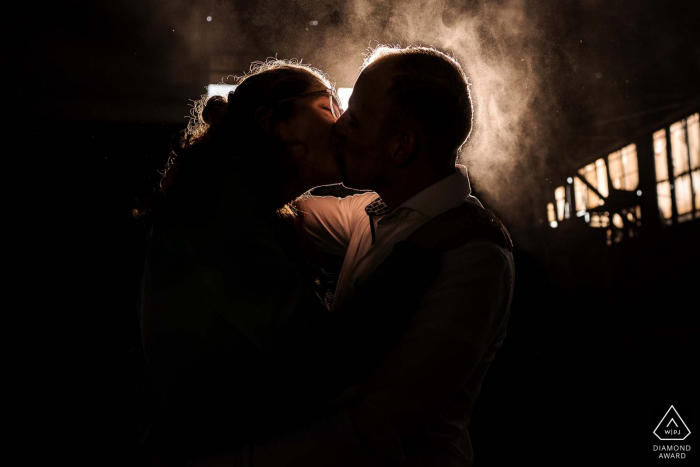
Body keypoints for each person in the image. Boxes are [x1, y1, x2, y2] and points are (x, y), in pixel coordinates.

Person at [186, 45, 515, 467]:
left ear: (402, 147)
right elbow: (263, 205)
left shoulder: (475, 256)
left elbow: (380, 430)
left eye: (354, 121)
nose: (338, 129)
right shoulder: (373, 214)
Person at [134, 59, 353, 464]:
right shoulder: (219, 215)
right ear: (275, 123)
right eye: (328, 107)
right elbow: (321, 361)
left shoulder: (238, 204)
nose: (343, 124)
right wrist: (416, 256)